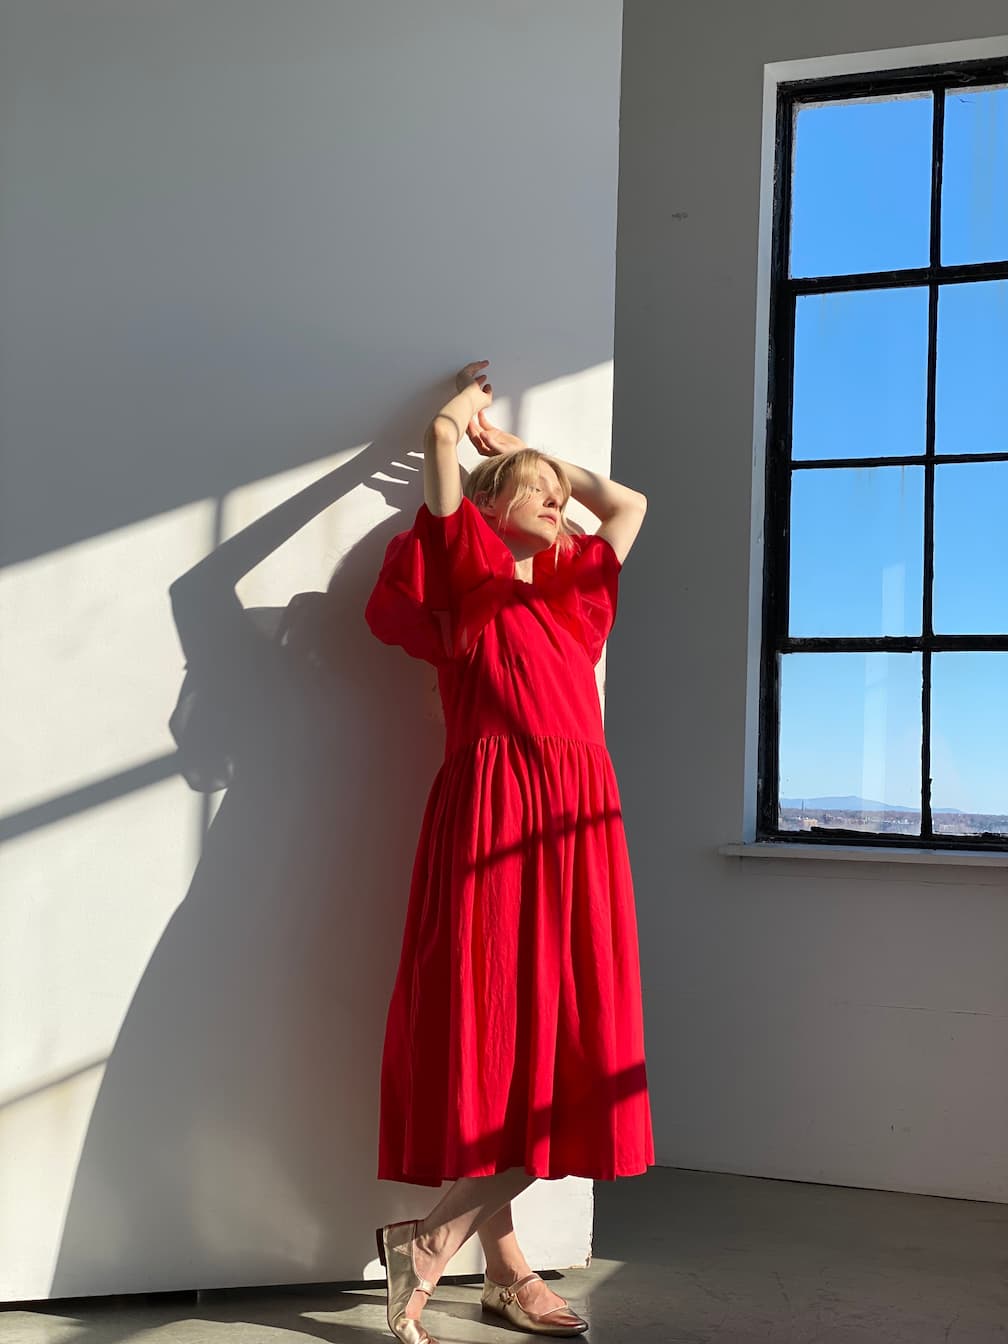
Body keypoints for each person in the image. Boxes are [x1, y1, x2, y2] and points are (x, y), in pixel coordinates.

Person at [366, 361, 654, 1343]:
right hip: (492, 817)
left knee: (572, 1050)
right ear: (495, 509)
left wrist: (540, 457)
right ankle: (483, 1261)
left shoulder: (579, 602)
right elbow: (442, 456)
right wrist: (464, 426)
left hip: (579, 824)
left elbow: (630, 503)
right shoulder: (470, 584)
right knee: (496, 1046)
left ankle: (444, 1244)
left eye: (560, 496)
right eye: (542, 495)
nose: (563, 505)